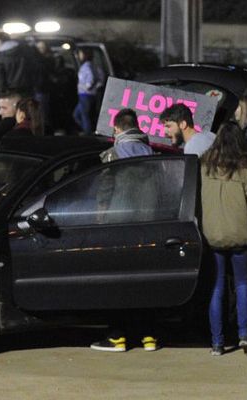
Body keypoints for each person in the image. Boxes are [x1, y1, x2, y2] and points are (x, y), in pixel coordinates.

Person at [90, 108, 157, 352]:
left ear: (117, 129)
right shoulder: (152, 153)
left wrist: (99, 218)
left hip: (119, 226)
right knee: (143, 283)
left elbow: (104, 190)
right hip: (149, 225)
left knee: (118, 283)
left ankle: (117, 336)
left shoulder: (113, 154)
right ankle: (148, 336)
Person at [201, 121, 247, 356]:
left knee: (216, 287)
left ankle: (217, 343)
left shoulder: (203, 167)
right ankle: (244, 336)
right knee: (242, 284)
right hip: (241, 234)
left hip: (212, 235)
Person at [0, 31, 36, 97]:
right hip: (28, 90)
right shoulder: (26, 50)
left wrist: (1, 94)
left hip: (10, 92)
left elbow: (1, 80)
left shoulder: (1, 57)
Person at [73, 48, 99, 135]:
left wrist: (87, 87)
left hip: (85, 95)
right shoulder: (89, 65)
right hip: (84, 95)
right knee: (77, 115)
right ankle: (87, 131)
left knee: (85, 116)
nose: (79, 55)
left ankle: (88, 133)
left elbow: (92, 78)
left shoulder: (87, 66)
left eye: (80, 53)